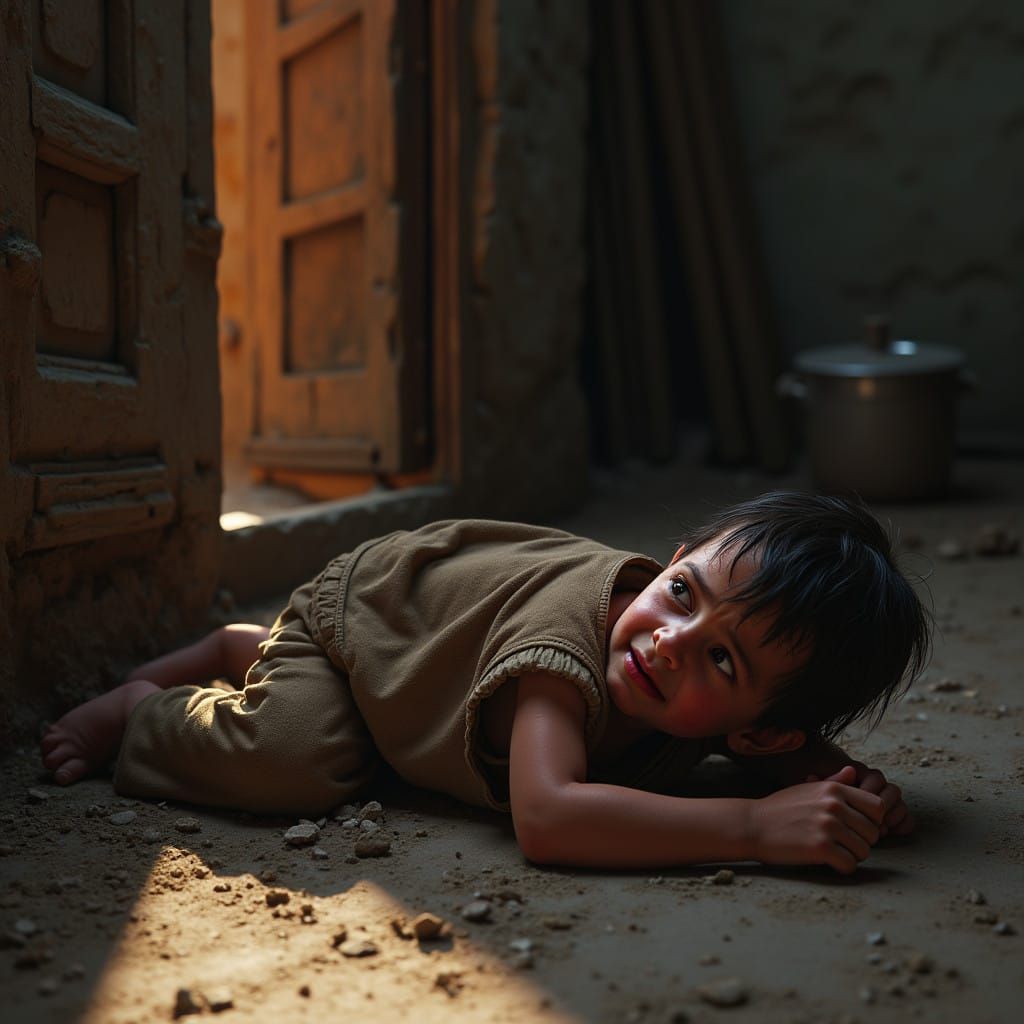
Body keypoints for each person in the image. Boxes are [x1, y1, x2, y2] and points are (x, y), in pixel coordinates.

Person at [40, 491, 931, 875]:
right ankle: (148, 709)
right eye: (681, 594)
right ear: (671, 561)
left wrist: (837, 784)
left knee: (366, 739)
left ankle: (259, 650)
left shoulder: (715, 705)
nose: (669, 642)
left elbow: (779, 747)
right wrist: (756, 827)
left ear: (763, 729)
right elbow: (546, 818)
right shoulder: (563, 659)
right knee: (299, 760)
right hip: (372, 617)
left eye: (723, 660)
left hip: (425, 656)